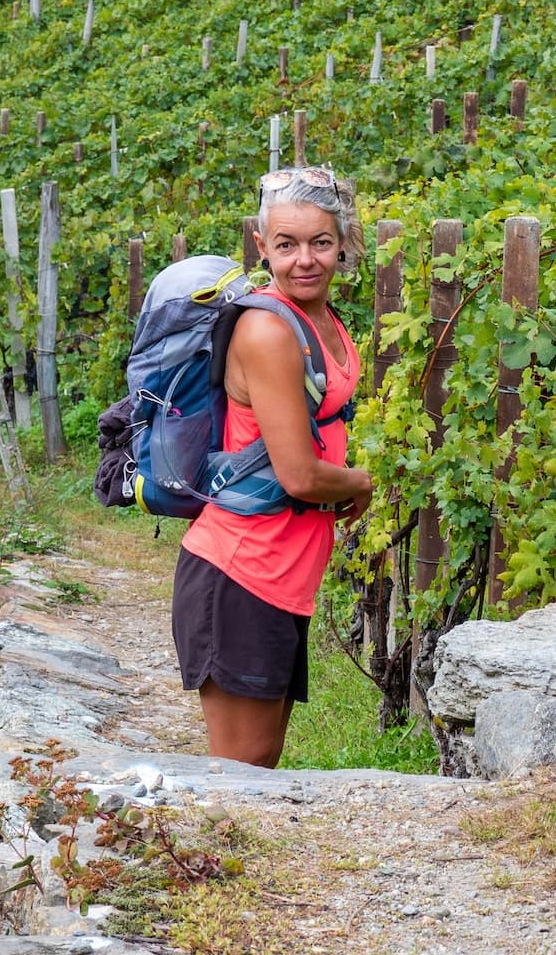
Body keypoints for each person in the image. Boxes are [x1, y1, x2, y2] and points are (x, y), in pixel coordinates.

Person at [171, 166, 374, 767]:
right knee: (241, 777)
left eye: (320, 242)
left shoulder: (324, 322)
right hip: (240, 574)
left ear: (344, 242)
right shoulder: (266, 330)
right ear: (262, 246)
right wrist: (363, 482)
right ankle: (195, 864)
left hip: (282, 576)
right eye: (285, 245)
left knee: (259, 769)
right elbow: (300, 476)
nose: (304, 260)